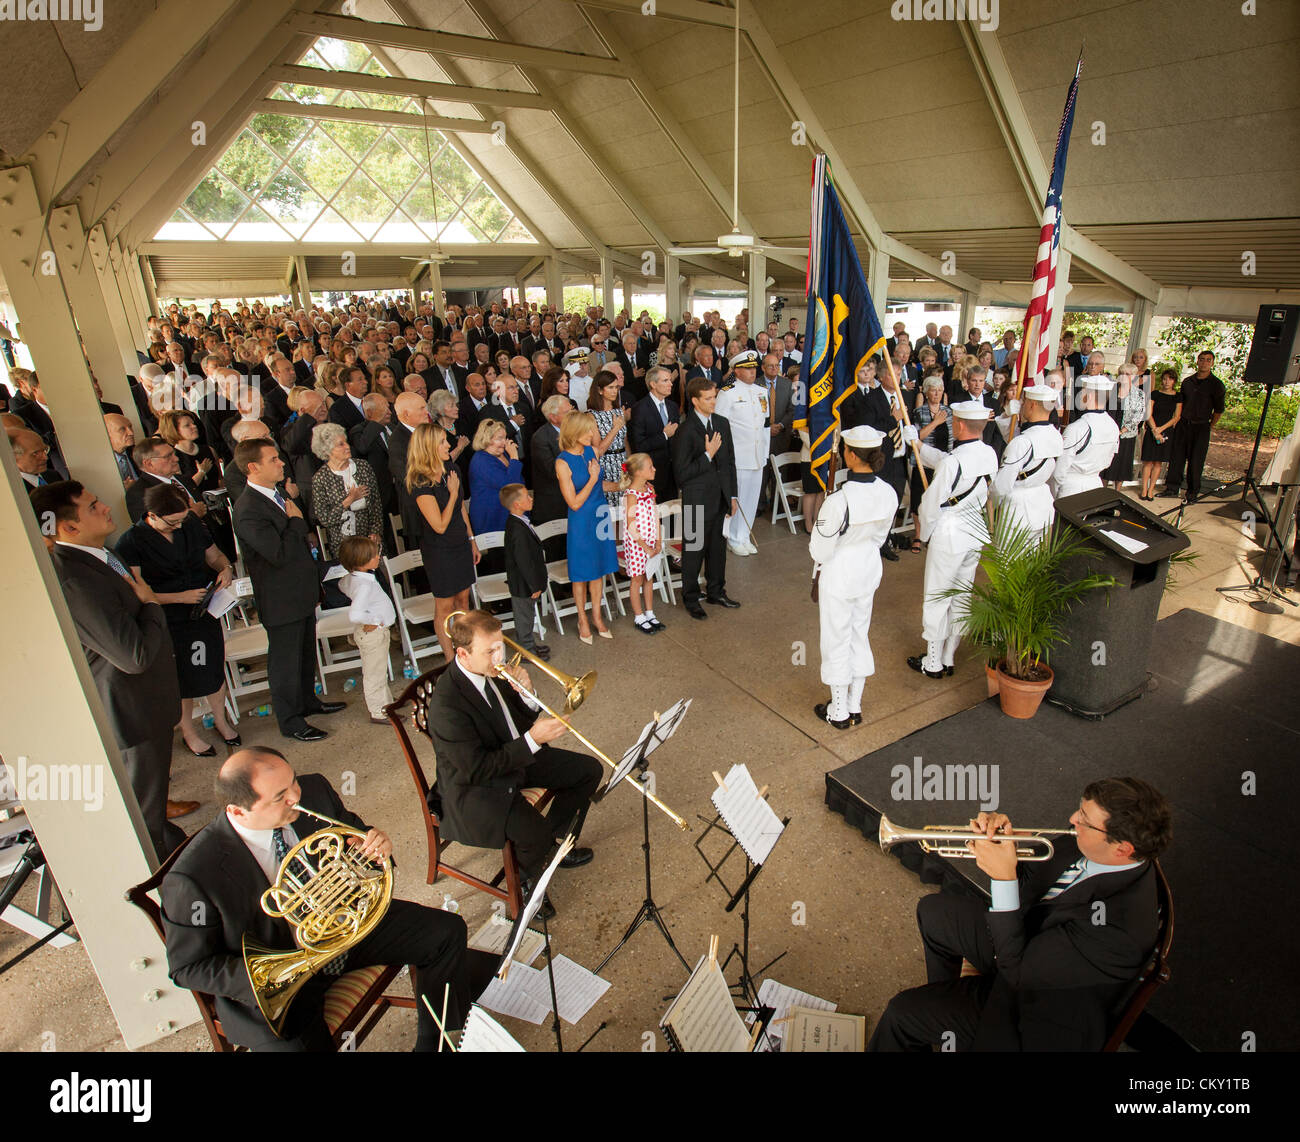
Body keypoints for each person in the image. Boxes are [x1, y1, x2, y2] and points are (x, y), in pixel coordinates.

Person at [161, 747, 487, 1052]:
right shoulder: (193, 876)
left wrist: (375, 850)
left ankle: (437, 1044)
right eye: (280, 797)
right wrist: (275, 977)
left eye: (292, 782)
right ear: (237, 810)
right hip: (283, 970)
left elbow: (357, 837)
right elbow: (188, 967)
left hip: (344, 929)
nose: (296, 797)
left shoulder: (314, 790)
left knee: (446, 932)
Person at [868, 777, 1172, 1052]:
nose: (1072, 820)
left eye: (1084, 819)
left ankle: (940, 1019)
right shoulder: (1090, 845)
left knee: (901, 1014)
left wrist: (1003, 879)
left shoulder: (1120, 931)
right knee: (933, 912)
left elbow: (1017, 971)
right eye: (1080, 810)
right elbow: (1032, 887)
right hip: (1030, 942)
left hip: (1035, 1011)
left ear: (1122, 849)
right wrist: (1007, 843)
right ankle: (944, 1007)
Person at [32, 481, 187, 857]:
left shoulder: (100, 554)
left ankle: (170, 845)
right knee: (142, 815)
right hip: (131, 712)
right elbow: (132, 655)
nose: (104, 507)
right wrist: (151, 604)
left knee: (153, 799)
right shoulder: (74, 579)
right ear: (69, 527)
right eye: (92, 506)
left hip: (148, 703)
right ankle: (156, 872)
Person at [425, 610, 603, 912]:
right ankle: (524, 880)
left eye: (501, 647)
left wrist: (527, 695)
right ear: (462, 654)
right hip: (477, 787)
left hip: (510, 757)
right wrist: (533, 739)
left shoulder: (489, 671)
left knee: (588, 771)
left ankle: (554, 848)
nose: (499, 657)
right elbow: (477, 768)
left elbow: (512, 721)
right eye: (490, 651)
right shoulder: (446, 706)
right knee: (535, 833)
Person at [232, 439, 345, 743]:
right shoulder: (248, 509)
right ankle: (291, 721)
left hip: (300, 590)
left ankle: (307, 701)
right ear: (253, 467)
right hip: (280, 597)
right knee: (285, 662)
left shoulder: (277, 494)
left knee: (305, 653)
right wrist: (296, 522)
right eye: (273, 459)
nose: (282, 463)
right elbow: (277, 553)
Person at [116, 483, 240, 759]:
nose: (179, 525)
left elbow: (214, 555)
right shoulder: (132, 541)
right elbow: (136, 591)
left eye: (183, 519)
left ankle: (220, 720)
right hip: (168, 617)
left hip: (204, 609)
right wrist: (179, 597)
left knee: (212, 666)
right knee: (183, 677)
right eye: (173, 522)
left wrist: (225, 569)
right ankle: (189, 732)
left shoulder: (190, 524)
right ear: (152, 515)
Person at [809, 427, 897, 729]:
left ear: (851, 455)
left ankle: (838, 710)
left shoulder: (838, 500)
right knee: (860, 633)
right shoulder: (888, 492)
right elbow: (882, 536)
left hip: (840, 572)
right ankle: (854, 704)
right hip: (868, 567)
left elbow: (819, 549)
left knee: (836, 638)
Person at [906, 401, 1000, 679]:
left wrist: (924, 534)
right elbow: (948, 462)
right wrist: (918, 446)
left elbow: (929, 505)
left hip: (949, 534)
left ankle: (933, 662)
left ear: (958, 425)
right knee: (961, 596)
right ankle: (948, 656)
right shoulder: (989, 454)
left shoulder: (953, 463)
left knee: (937, 596)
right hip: (974, 532)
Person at [408, 422, 479, 663]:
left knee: (463, 600)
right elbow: (439, 525)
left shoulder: (451, 469)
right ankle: (450, 660)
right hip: (440, 550)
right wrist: (452, 493)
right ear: (428, 447)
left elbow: (461, 509)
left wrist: (471, 539)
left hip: (460, 543)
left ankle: (465, 653)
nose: (448, 445)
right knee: (445, 606)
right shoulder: (420, 482)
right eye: (442, 442)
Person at [673, 377, 740, 619]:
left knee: (717, 550)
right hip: (696, 501)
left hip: (720, 498)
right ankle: (691, 598)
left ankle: (716, 591)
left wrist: (732, 495)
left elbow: (730, 462)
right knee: (693, 552)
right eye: (708, 398)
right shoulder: (685, 430)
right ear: (695, 401)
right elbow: (681, 474)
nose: (714, 402)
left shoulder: (722, 422)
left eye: (715, 397)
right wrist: (707, 455)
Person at [556, 411, 619, 643]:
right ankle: (582, 619)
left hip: (600, 515)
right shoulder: (562, 462)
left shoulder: (591, 451)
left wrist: (621, 485)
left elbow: (599, 485)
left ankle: (597, 616)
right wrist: (593, 479)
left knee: (599, 570)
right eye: (588, 430)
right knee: (581, 572)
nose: (592, 434)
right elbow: (573, 502)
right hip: (581, 520)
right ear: (574, 433)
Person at [990, 385, 1063, 542]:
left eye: (1024, 401)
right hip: (1042, 508)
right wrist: (1007, 414)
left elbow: (1001, 487)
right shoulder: (1055, 435)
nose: (1021, 404)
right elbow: (1010, 435)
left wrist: (992, 505)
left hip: (1017, 513)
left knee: (1007, 557)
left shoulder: (1023, 442)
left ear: (1032, 404)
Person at [338, 536, 395, 726]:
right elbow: (355, 614)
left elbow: (341, 584)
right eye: (373, 555)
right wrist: (375, 620)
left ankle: (386, 702)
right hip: (374, 633)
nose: (378, 556)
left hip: (373, 633)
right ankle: (378, 711)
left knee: (379, 669)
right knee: (374, 673)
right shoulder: (364, 585)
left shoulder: (355, 578)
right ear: (361, 561)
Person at [715, 350, 766, 557]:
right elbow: (719, 426)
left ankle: (744, 536)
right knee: (738, 499)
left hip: (757, 455)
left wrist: (764, 453)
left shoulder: (761, 391)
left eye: (754, 368)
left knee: (752, 499)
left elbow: (762, 425)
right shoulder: (727, 393)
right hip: (738, 456)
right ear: (736, 370)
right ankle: (733, 538)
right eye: (747, 368)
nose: (752, 372)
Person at [310, 422, 383, 561]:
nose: (347, 446)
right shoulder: (320, 478)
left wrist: (375, 531)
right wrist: (349, 500)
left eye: (346, 442)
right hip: (344, 544)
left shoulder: (363, 467)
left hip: (370, 538)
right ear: (327, 450)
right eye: (340, 444)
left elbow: (376, 504)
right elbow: (325, 519)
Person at [1163, 350, 1226, 505]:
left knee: (1196, 461)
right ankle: (1172, 488)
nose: (1204, 363)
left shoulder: (1217, 385)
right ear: (1197, 361)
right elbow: (1180, 403)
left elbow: (1218, 410)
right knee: (1177, 458)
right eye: (1202, 359)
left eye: (1208, 360)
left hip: (1201, 426)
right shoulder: (1187, 382)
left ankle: (1192, 493)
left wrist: (1209, 425)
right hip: (1184, 424)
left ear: (1212, 363)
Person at [501, 483, 551, 661]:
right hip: (523, 584)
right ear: (517, 504)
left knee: (528, 616)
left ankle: (530, 645)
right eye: (526, 497)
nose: (531, 498)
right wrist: (533, 585)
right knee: (524, 618)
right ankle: (526, 652)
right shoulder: (517, 529)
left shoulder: (520, 521)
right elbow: (523, 561)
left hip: (526, 582)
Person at [1053, 378, 1120, 500]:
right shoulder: (1114, 426)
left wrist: (1054, 493)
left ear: (1088, 396)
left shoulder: (1077, 428)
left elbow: (1060, 471)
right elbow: (1109, 460)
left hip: (1071, 488)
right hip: (1095, 485)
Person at [619, 453, 664, 636]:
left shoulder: (649, 489)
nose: (654, 469)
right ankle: (639, 616)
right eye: (650, 467)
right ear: (638, 472)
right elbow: (631, 525)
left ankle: (650, 613)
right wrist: (645, 547)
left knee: (649, 576)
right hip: (637, 544)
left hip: (651, 541)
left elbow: (655, 516)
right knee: (637, 579)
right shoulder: (631, 495)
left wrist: (658, 541)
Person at [628, 364, 681, 505]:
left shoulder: (673, 406)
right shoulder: (640, 408)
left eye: (670, 380)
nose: (671, 384)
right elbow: (639, 445)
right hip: (652, 474)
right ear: (653, 384)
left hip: (673, 473)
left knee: (673, 512)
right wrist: (664, 436)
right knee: (655, 514)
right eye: (665, 380)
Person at [467, 418, 523, 536]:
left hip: (509, 515)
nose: (505, 442)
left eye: (505, 437)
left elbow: (519, 482)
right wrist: (514, 457)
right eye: (499, 438)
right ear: (486, 439)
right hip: (492, 519)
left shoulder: (504, 454)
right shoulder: (481, 460)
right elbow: (509, 486)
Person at [586, 371, 628, 513]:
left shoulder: (619, 412)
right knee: (610, 509)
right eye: (610, 387)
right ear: (599, 390)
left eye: (616, 387)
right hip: (605, 464)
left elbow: (625, 441)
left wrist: (629, 464)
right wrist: (615, 428)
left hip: (622, 462)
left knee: (625, 506)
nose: (614, 391)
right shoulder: (591, 416)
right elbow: (599, 450)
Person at [1103, 364, 1149, 488]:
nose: (1123, 376)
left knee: (1121, 466)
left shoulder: (1139, 394)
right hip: (1109, 431)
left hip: (1126, 434)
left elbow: (1138, 415)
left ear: (1134, 376)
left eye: (1127, 374)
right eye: (1121, 373)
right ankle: (1102, 492)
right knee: (1106, 465)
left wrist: (1122, 431)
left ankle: (1117, 492)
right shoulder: (1111, 390)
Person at [1139, 368, 1182, 501]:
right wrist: (1154, 430)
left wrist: (1161, 429)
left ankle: (1151, 490)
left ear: (1174, 381)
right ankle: (1144, 490)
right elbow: (1148, 413)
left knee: (1158, 463)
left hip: (1166, 431)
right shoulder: (1155, 394)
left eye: (1170, 379)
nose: (1166, 381)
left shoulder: (1178, 396)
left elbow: (1176, 417)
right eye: (1164, 379)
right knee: (1148, 462)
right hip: (1152, 428)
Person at [529, 395, 570, 526]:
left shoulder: (573, 432)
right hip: (553, 506)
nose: (571, 415)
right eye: (567, 412)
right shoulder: (540, 438)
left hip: (572, 501)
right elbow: (552, 471)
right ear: (553, 417)